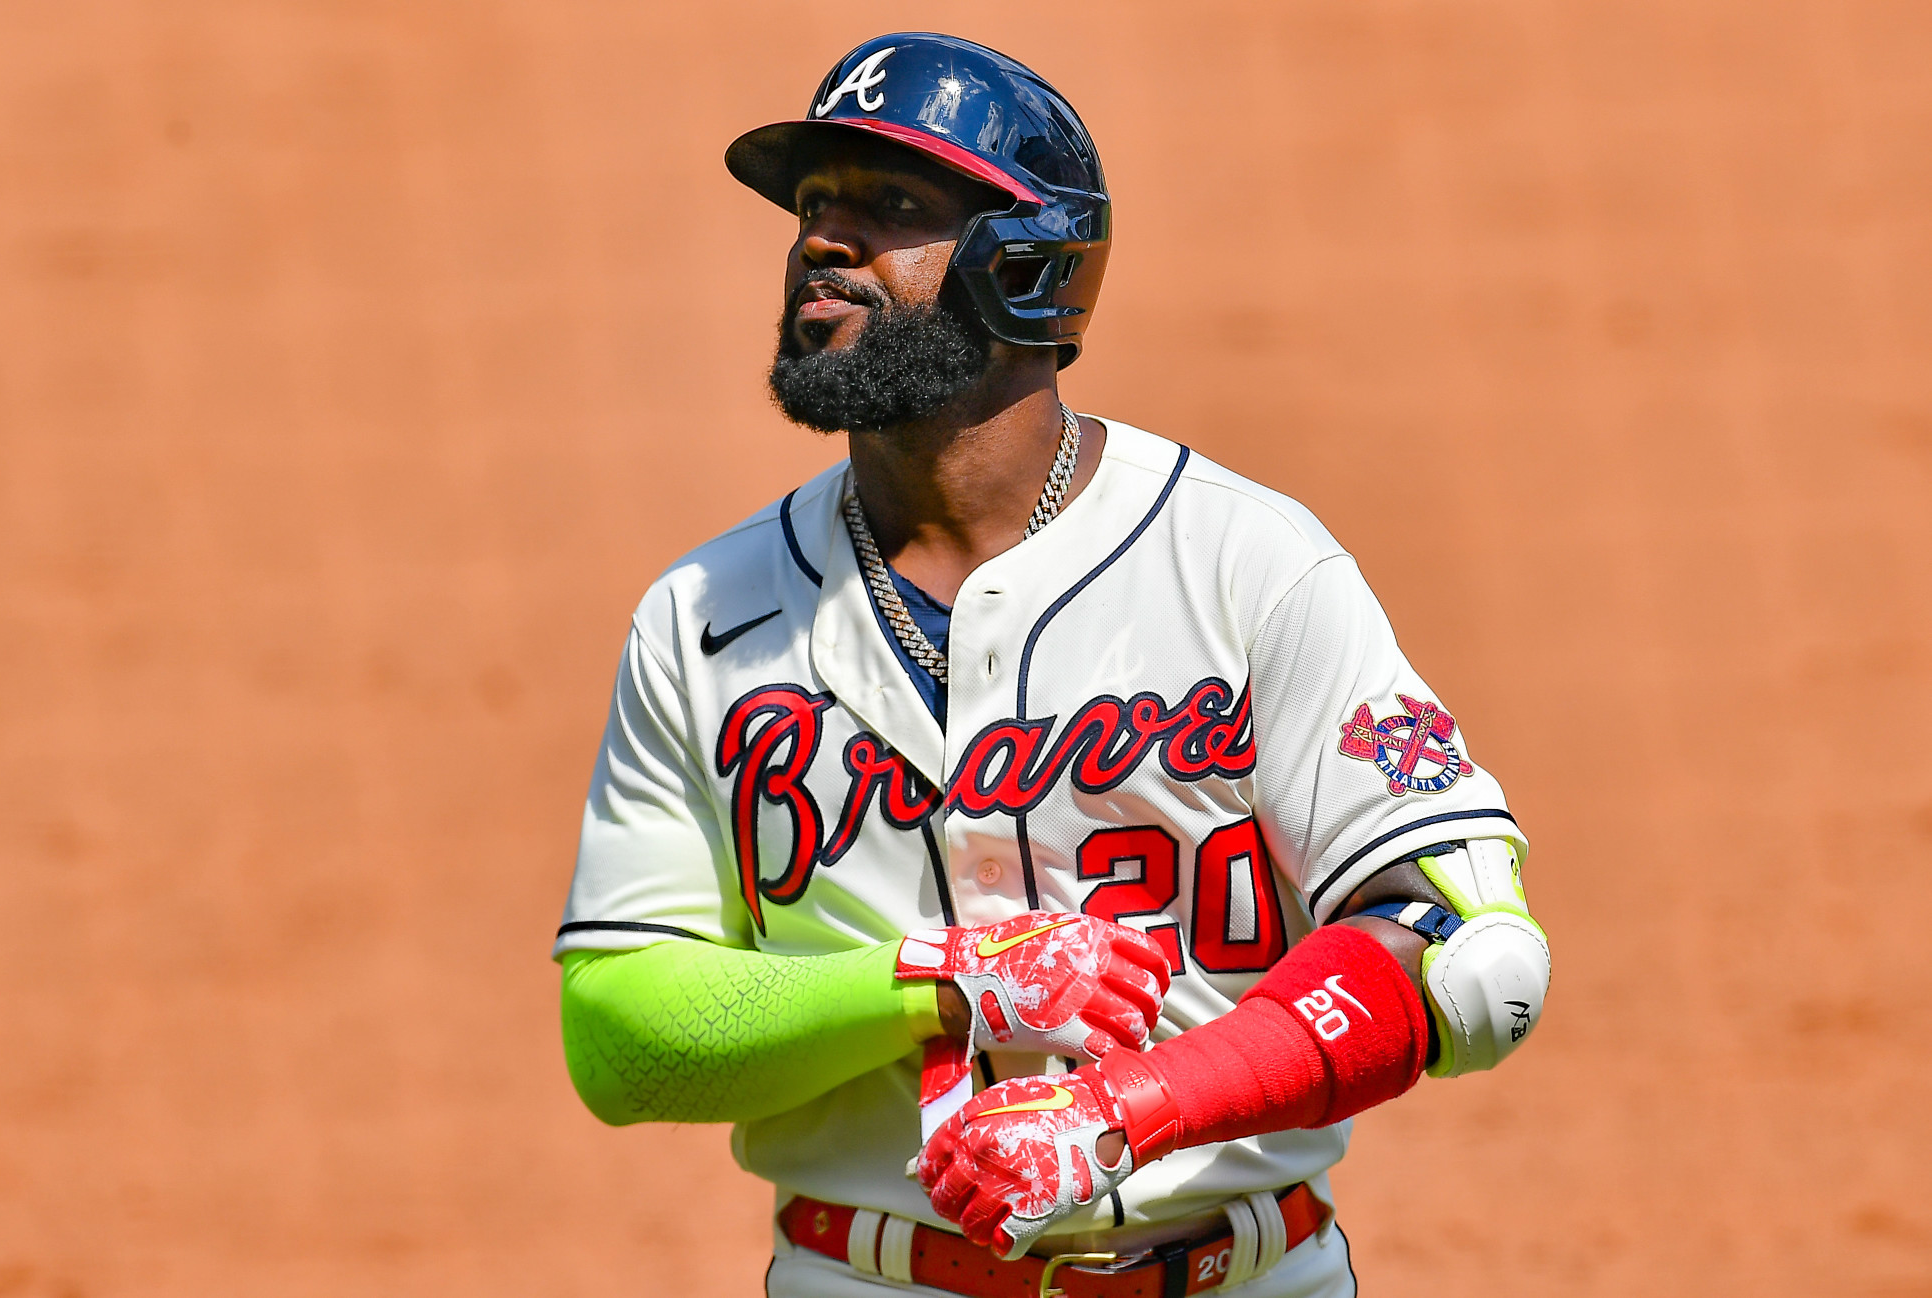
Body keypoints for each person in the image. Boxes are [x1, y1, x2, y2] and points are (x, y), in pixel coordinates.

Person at [554, 32, 1551, 1298]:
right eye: (813, 208)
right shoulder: (702, 616)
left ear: (1028, 267)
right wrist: (934, 983)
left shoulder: (1243, 563)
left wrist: (1128, 1108)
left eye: (891, 209)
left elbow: (1466, 955)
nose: (823, 239)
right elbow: (617, 1032)